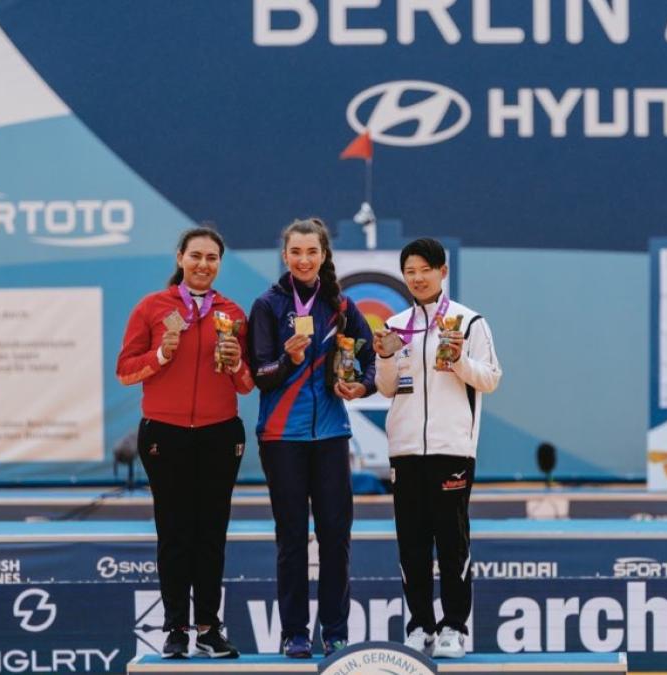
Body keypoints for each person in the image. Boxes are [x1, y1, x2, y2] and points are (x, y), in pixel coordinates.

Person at [116, 226, 254, 659]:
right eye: (195, 255)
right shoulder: (153, 308)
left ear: (219, 263)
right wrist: (160, 356)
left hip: (219, 433)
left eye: (212, 258)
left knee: (211, 535)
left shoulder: (232, 312)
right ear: (180, 257)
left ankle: (209, 628)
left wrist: (234, 365)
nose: (203, 265)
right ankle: (175, 628)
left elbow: (247, 384)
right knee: (174, 534)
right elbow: (124, 370)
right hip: (165, 433)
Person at [248, 217, 376, 658]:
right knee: (292, 538)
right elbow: (260, 376)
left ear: (324, 256)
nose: (304, 260)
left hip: (331, 435)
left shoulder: (341, 307)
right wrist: (287, 360)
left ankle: (335, 632)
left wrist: (362, 384)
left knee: (336, 536)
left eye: (312, 252)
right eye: (296, 252)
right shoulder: (267, 305)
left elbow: (368, 357)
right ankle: (294, 633)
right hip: (282, 437)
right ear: (285, 256)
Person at [373, 238, 502, 658]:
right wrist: (387, 358)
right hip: (406, 450)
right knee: (411, 543)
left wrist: (459, 361)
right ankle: (420, 626)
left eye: (425, 269)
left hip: (452, 449)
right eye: (410, 270)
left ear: (442, 272)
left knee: (451, 541)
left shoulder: (469, 322)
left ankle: (454, 628)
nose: (417, 277)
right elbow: (386, 387)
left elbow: (491, 378)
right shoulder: (395, 325)